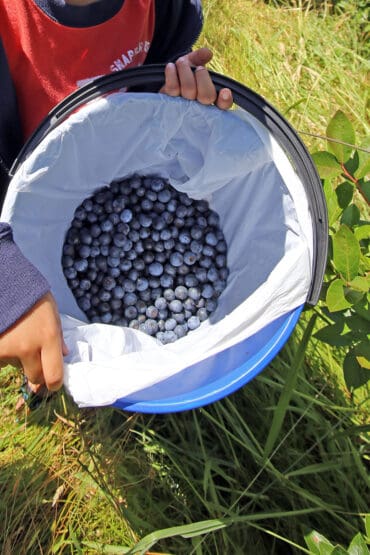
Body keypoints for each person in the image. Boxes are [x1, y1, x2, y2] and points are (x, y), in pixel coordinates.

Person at [0, 0, 233, 401]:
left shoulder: (162, 8)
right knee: (35, 326)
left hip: (110, 176)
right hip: (19, 206)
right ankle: (38, 381)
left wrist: (172, 82)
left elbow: (159, 62)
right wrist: (8, 281)